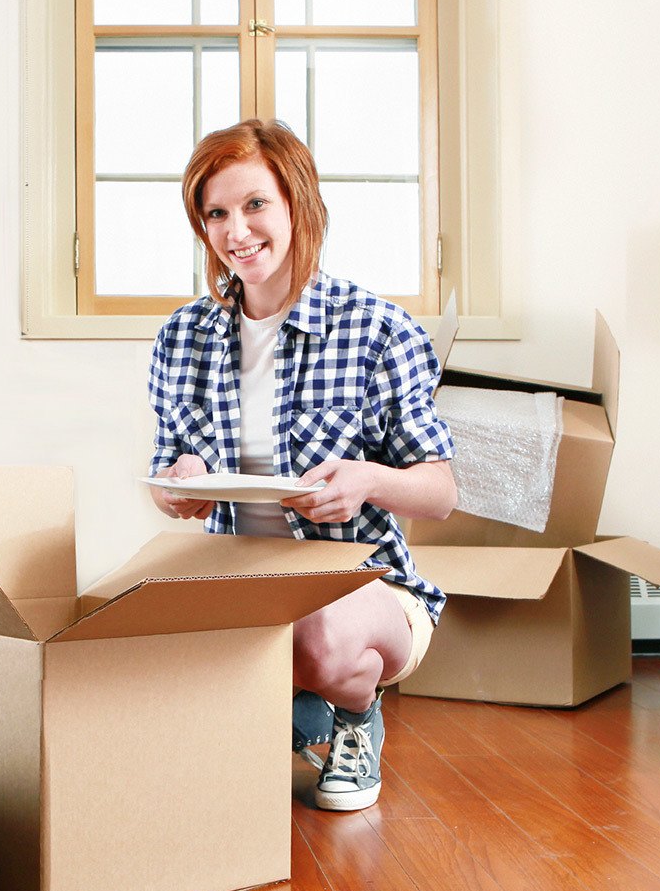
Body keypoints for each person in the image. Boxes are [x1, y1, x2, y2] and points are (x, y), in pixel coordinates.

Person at [145, 119, 456, 813]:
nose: (236, 231)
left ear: (297, 204)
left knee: (316, 628)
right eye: (216, 213)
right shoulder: (183, 338)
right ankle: (292, 707)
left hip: (361, 597)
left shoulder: (377, 329)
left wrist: (369, 480)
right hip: (241, 586)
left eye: (255, 205)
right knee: (138, 652)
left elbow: (439, 493)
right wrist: (181, 482)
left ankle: (351, 713)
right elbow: (170, 464)